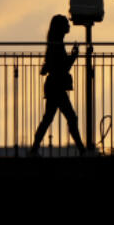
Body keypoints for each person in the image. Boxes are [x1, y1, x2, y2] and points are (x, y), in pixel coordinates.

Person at [30, 14, 86, 156]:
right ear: (61, 27)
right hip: (56, 86)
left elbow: (56, 65)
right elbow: (62, 67)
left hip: (54, 86)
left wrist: (71, 56)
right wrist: (73, 56)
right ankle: (82, 150)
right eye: (66, 24)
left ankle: (34, 149)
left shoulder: (55, 42)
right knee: (70, 117)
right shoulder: (57, 44)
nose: (69, 26)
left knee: (49, 118)